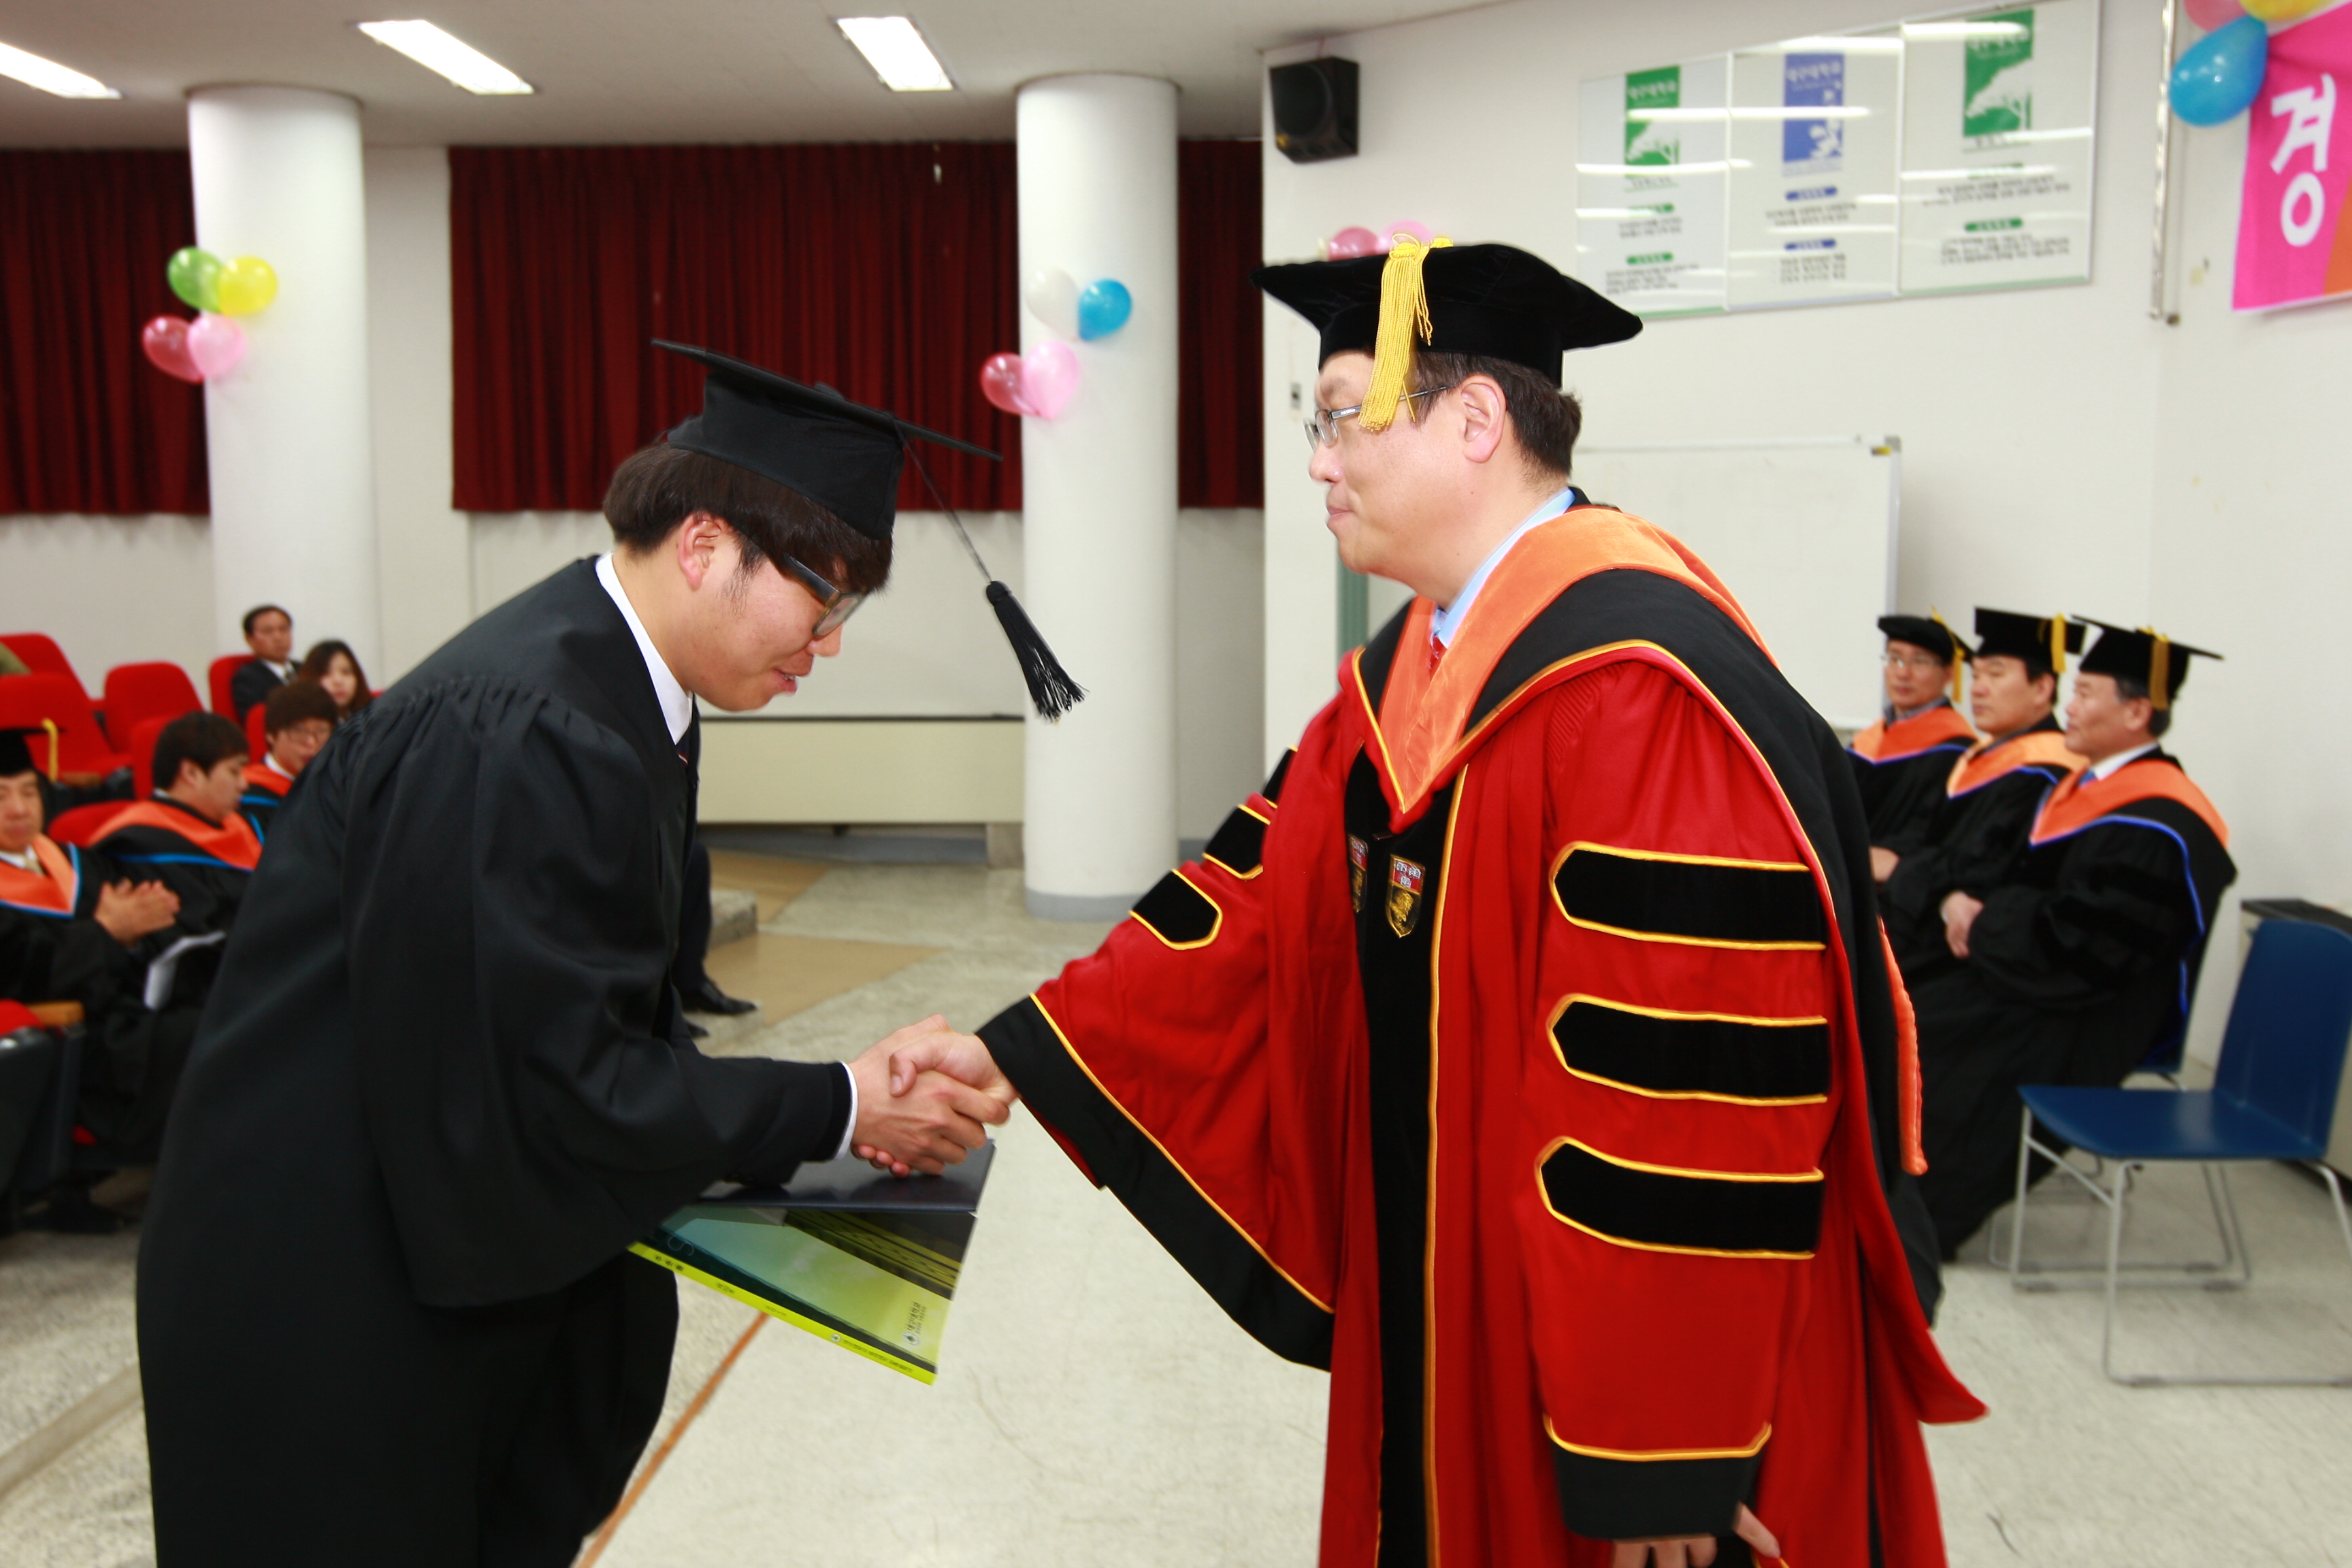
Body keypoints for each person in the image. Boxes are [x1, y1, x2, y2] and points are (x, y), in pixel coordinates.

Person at [885, 240, 1981, 1567]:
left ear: (1474, 421)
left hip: (1627, 1378)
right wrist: (1021, 1048)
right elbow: (1257, 896)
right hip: (1447, 1278)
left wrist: (1662, 1449)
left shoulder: (1637, 687)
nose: (1318, 461)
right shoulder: (1412, 663)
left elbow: (1680, 1099)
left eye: (1341, 416)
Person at [137, 341, 1014, 1568]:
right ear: (704, 545)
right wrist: (841, 1100)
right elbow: (549, 1083)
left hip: (416, 1257)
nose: (827, 643)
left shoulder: (610, 692)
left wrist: (832, 1105)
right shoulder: (522, 724)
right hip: (327, 1304)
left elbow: (574, 1023)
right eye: (824, 600)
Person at [1910, 621, 2234, 1258]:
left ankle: (1916, 1217)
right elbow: (2009, 882)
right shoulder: (2083, 787)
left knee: (1931, 1037)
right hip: (2034, 973)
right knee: (1900, 1002)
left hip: (2091, 1007)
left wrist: (1985, 920)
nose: (2070, 708)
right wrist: (1959, 903)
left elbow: (2084, 943)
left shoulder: (2163, 819)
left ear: (2136, 712)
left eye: (2085, 693)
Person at [0, 726, 193, 1196]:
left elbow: (127, 928)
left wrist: (134, 933)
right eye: (1, 796)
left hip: (124, 1014)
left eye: (29, 791)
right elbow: (21, 971)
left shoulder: (73, 861)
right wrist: (105, 932)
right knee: (197, 1039)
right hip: (80, 1040)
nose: (20, 809)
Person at [1881, 608, 2085, 985]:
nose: (1977, 689)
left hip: (1962, 948)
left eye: (1996, 674)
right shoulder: (1976, 757)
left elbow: (1985, 868)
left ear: (2043, 689)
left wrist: (1902, 868)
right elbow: (1925, 834)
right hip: (1923, 919)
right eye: (1976, 675)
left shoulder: (2049, 770)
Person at [1848, 614, 1976, 884]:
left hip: (1899, 888)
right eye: (1895, 658)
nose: (1903, 673)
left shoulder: (1956, 749)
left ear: (1949, 673)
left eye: (1920, 661)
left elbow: (1934, 832)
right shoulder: (1865, 742)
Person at [239, 679, 338, 837]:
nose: (312, 743)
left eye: (321, 731)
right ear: (271, 735)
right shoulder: (249, 795)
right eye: (299, 731)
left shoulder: (337, 785)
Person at [229, 604, 295, 719]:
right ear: (249, 639)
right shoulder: (248, 678)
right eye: (268, 631)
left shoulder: (307, 668)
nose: (278, 637)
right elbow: (257, 721)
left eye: (284, 629)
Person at [299, 637, 374, 721]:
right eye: (327, 673)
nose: (338, 681)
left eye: (346, 672)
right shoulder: (303, 725)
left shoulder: (370, 719)